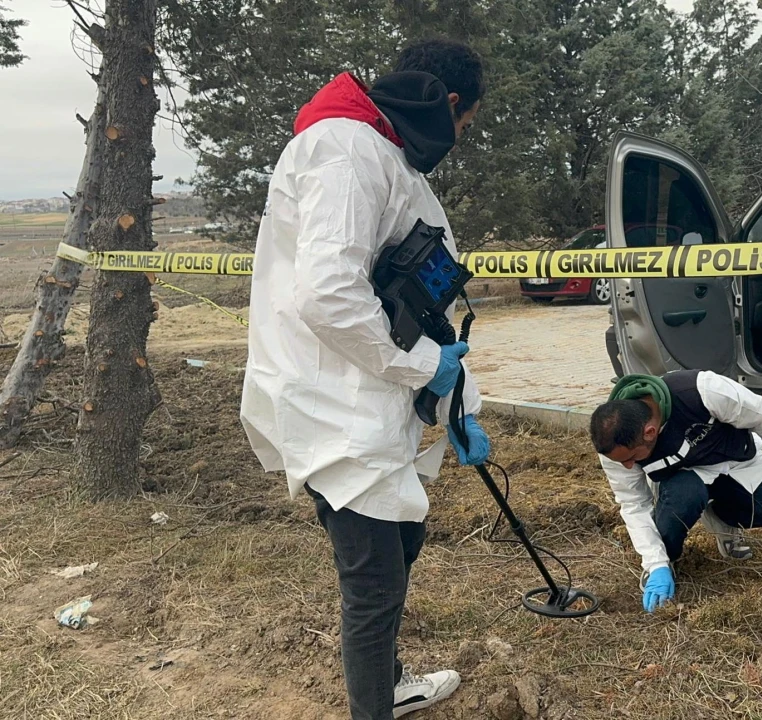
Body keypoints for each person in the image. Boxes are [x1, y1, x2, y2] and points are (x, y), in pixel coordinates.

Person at [239, 36, 491, 720]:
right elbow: (329, 295)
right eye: (464, 127)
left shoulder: (384, 153)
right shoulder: (344, 149)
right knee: (374, 585)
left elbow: (414, 295)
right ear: (447, 103)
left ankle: (389, 681)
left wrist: (459, 398)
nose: (460, 141)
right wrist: (419, 367)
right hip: (333, 403)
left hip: (366, 395)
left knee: (403, 539)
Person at [589, 370, 762, 613]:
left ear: (650, 432)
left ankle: (721, 518)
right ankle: (667, 562)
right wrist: (656, 563)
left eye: (632, 459)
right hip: (685, 482)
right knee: (685, 497)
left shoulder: (704, 391)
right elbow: (634, 504)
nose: (629, 467)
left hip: (738, 462)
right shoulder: (616, 447)